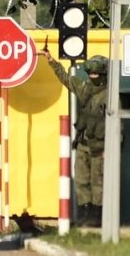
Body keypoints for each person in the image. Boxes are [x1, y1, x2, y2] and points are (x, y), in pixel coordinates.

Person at [38, 50, 107, 227]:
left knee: (98, 182)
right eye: (90, 73)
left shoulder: (109, 95)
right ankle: (85, 213)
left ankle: (97, 216)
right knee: (82, 181)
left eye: (96, 74)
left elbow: (117, 125)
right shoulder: (86, 89)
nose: (93, 76)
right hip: (84, 143)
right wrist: (51, 61)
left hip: (101, 146)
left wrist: (112, 147)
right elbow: (67, 79)